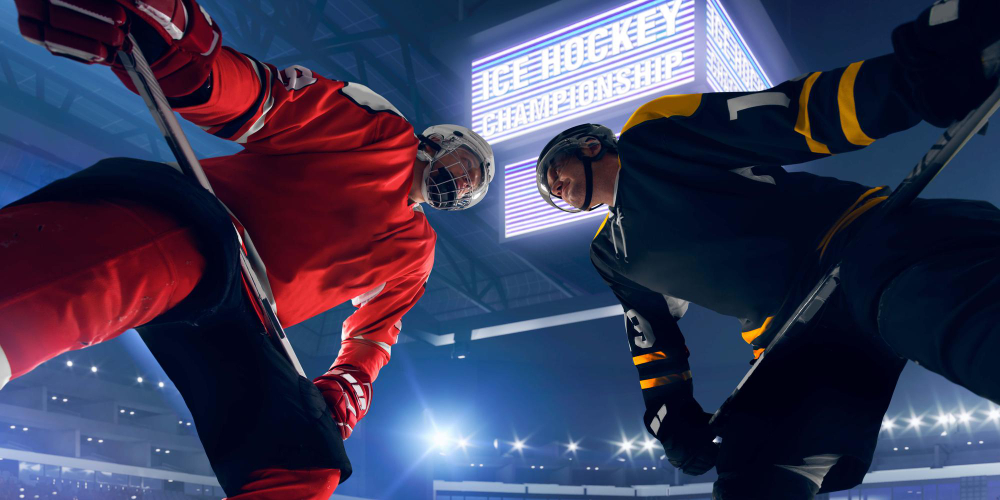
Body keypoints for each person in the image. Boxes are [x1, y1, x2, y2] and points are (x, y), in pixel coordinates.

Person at [2, 0, 494, 498]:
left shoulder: (417, 254)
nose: (461, 179)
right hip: (199, 224)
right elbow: (265, 103)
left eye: (471, 182)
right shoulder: (383, 134)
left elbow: (375, 335)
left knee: (304, 461)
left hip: (243, 313)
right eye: (463, 163)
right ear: (436, 141)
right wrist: (182, 57)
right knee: (86, 285)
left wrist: (349, 384)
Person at [535, 0, 1000, 497]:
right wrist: (671, 412)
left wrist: (905, 83)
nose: (554, 188)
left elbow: (789, 117)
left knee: (961, 328)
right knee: (751, 473)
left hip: (861, 244)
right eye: (549, 191)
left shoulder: (650, 136)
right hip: (793, 336)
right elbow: (653, 337)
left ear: (588, 146)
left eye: (553, 173)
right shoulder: (609, 255)